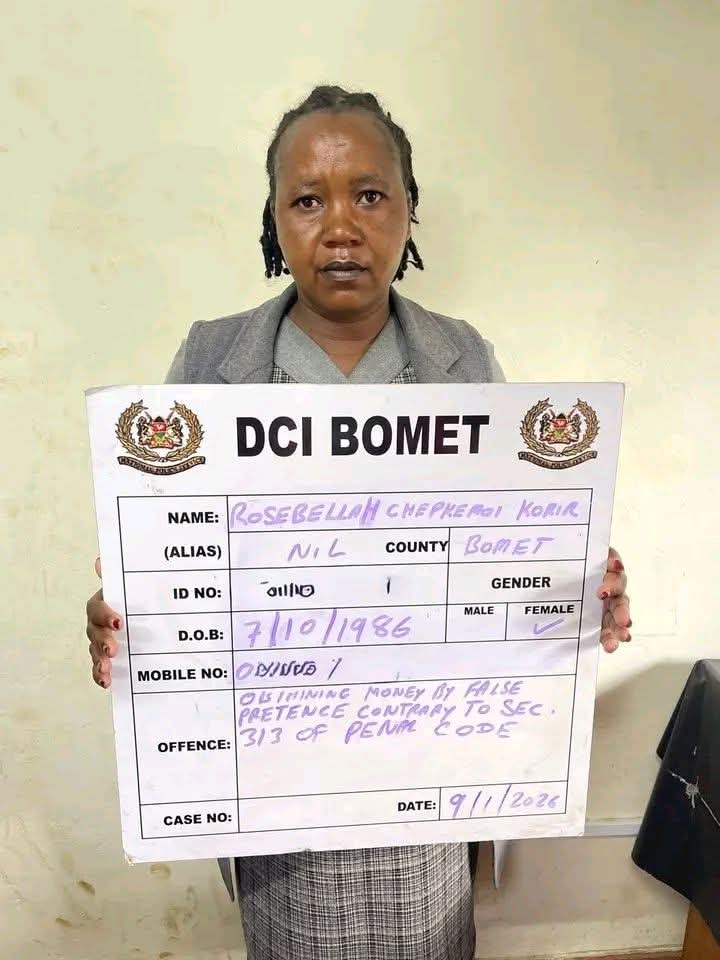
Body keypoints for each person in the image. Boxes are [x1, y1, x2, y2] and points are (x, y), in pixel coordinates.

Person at [85, 85, 632, 960]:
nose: (341, 227)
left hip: (427, 776)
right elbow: (164, 556)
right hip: (277, 789)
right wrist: (127, 616)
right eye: (308, 201)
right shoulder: (211, 361)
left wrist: (573, 592)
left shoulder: (463, 359)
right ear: (273, 221)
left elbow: (507, 545)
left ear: (409, 210)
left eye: (370, 195)